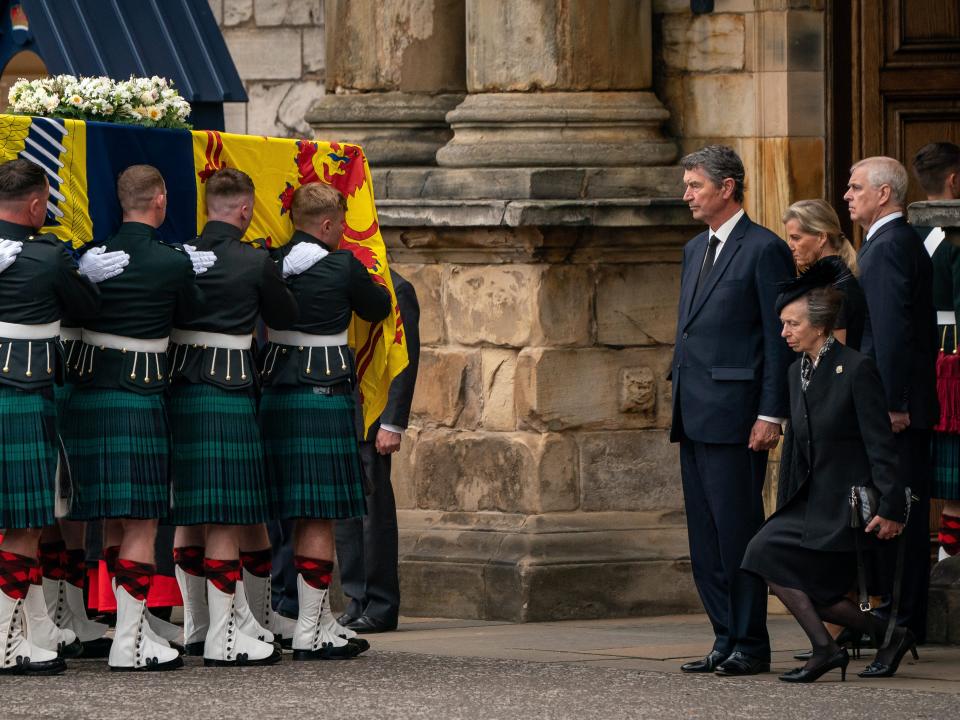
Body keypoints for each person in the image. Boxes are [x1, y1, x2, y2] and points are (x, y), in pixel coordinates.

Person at [62, 164, 210, 672]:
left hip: (87, 396)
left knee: (109, 517)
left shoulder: (91, 258)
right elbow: (193, 315)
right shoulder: (171, 262)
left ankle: (133, 626)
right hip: (140, 395)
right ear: (161, 199)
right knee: (143, 519)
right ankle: (129, 641)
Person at [742, 267, 914, 682]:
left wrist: (891, 507)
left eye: (792, 323)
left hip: (846, 502)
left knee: (783, 567)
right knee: (772, 560)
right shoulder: (794, 371)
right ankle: (881, 637)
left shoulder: (856, 369)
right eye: (782, 323)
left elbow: (880, 445)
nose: (784, 331)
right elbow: (799, 449)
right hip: (809, 499)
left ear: (820, 326)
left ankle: (832, 648)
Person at [167, 168, 303, 666]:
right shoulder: (253, 260)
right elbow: (284, 317)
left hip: (179, 389)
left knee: (190, 508)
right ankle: (226, 633)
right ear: (245, 211)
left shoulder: (178, 257)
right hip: (228, 389)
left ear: (208, 207)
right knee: (225, 510)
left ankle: (197, 626)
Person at [671, 145, 794, 676]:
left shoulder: (764, 248)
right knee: (705, 538)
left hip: (738, 415)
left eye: (695, 184)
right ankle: (723, 636)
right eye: (687, 184)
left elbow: (777, 339)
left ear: (728, 187)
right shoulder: (695, 248)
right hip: (693, 411)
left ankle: (751, 642)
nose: (687, 195)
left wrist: (771, 413)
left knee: (737, 531)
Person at [0, 158, 124, 674]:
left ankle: (34, 626)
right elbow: (86, 308)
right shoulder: (48, 257)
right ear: (35, 206)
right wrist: (80, 272)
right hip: (25, 394)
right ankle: (7, 643)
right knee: (26, 523)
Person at [259, 182, 391, 660]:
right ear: (330, 224)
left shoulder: (269, 261)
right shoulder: (341, 264)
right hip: (323, 393)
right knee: (317, 511)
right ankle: (311, 628)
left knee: (277, 505)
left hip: (274, 392)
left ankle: (291, 619)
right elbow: (377, 308)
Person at [844, 156, 938, 644]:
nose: (847, 195)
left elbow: (892, 333)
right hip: (895, 403)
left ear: (884, 194)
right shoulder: (893, 242)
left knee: (897, 515)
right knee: (892, 511)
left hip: (895, 409)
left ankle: (900, 625)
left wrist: (894, 403)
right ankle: (893, 622)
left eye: (856, 186)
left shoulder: (887, 247)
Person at [335, 270, 420, 634]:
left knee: (374, 516)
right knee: (345, 518)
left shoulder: (397, 287)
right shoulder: (343, 278)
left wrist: (393, 422)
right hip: (343, 410)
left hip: (374, 415)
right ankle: (356, 599)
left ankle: (381, 603)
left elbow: (404, 358)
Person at [910, 142, 960, 561]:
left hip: (924, 358)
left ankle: (946, 558)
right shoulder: (957, 237)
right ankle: (949, 561)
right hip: (952, 358)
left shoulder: (904, 232)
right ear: (954, 180)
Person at [782, 199, 868, 351]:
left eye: (796, 238)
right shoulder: (828, 280)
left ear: (822, 237)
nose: (790, 246)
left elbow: (835, 359)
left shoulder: (835, 285)